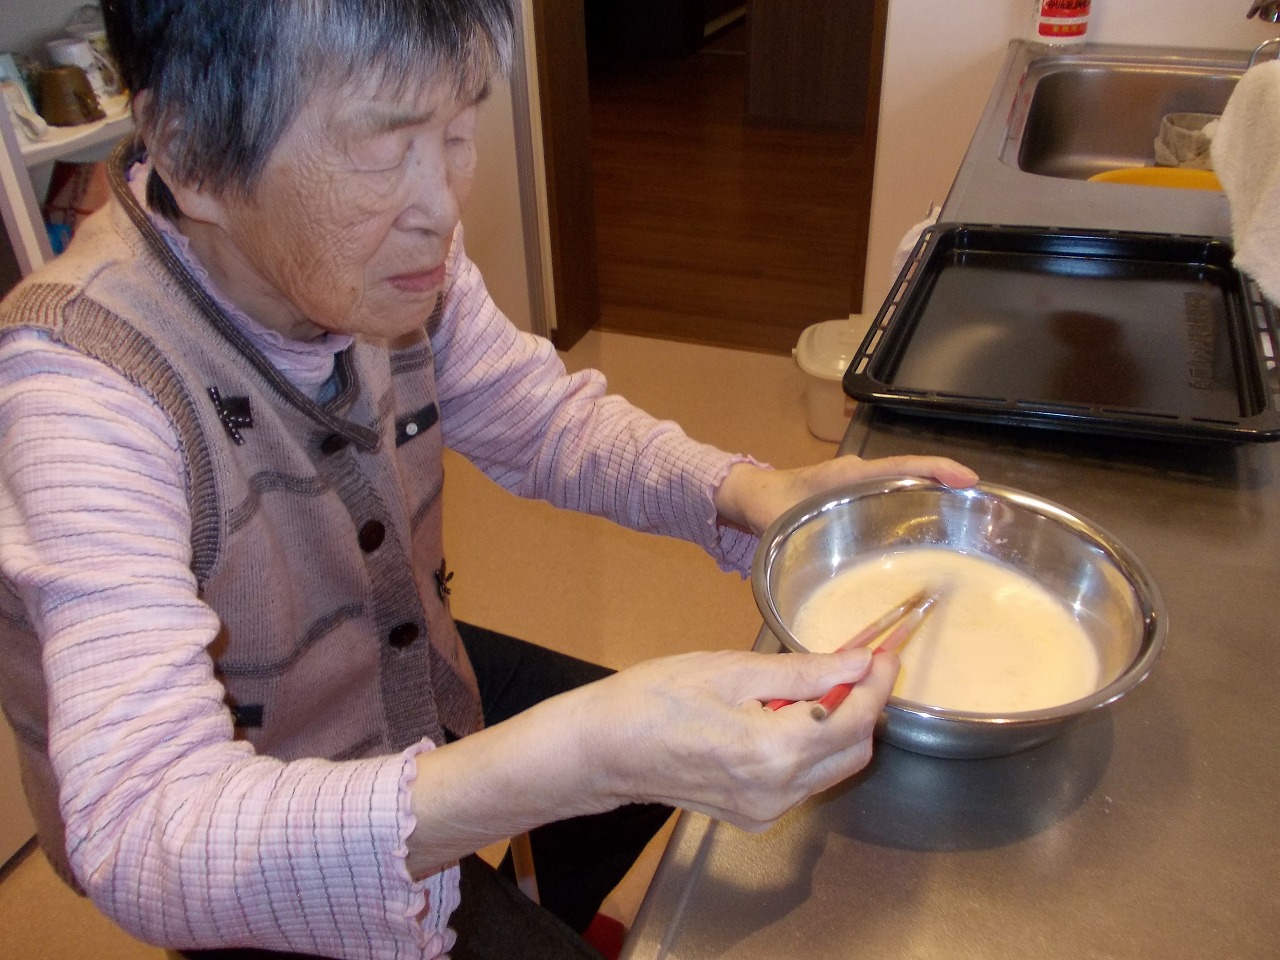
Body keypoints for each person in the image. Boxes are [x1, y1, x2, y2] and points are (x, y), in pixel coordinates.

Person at [0, 2, 977, 958]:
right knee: (606, 768)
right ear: (188, 150)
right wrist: (577, 760)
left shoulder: (384, 258)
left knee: (643, 788)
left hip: (405, 663)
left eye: (457, 131)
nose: (441, 206)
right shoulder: (80, 387)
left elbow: (540, 419)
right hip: (254, 823)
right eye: (382, 149)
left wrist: (750, 494)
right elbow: (143, 825)